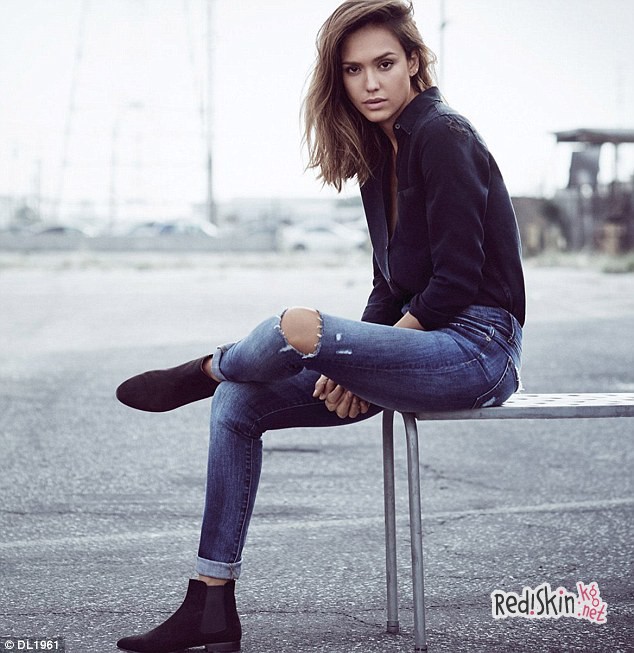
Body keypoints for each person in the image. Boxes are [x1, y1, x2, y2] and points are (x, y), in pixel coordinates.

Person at [115, 1, 525, 651]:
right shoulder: (379, 156)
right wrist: (356, 360)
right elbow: (388, 286)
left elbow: (455, 280)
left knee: (296, 326)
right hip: (421, 342)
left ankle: (208, 366)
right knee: (238, 404)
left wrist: (355, 361)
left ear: (414, 62)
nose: (370, 83)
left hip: (477, 349)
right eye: (354, 70)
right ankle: (210, 602)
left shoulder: (444, 135)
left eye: (384, 64)